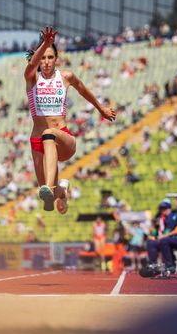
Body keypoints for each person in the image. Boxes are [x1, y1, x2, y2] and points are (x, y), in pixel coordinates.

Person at [25, 26, 115, 213]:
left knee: (49, 134)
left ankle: (51, 188)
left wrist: (101, 109)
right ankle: (61, 191)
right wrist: (45, 45)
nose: (47, 62)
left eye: (50, 57)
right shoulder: (32, 77)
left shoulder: (65, 76)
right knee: (46, 197)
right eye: (43, 58)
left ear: (56, 59)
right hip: (37, 142)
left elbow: (83, 90)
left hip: (63, 138)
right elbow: (32, 64)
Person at [146, 200, 177, 267]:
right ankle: (153, 264)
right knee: (150, 242)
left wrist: (157, 237)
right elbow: (157, 230)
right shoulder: (161, 218)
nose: (162, 210)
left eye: (164, 208)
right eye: (161, 209)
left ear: (169, 208)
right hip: (163, 237)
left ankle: (169, 265)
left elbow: (168, 231)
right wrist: (153, 235)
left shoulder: (172, 217)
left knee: (154, 243)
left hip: (172, 238)